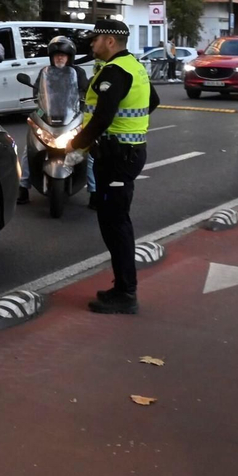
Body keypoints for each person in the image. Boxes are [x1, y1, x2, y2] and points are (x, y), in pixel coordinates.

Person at [46, 18, 160, 315]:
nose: (92, 44)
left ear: (110, 41)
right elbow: (153, 100)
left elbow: (102, 119)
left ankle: (126, 293)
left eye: (96, 39)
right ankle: (122, 287)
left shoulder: (115, 71)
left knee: (116, 224)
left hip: (118, 157)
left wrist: (74, 146)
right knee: (114, 221)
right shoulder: (133, 66)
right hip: (125, 152)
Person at [20, 35, 88, 205]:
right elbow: (37, 94)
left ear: (69, 57)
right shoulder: (45, 73)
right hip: (48, 118)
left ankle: (94, 191)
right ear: (51, 57)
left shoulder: (78, 73)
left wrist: (84, 102)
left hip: (71, 117)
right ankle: (23, 187)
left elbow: (85, 92)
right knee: (28, 151)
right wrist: (40, 109)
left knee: (88, 153)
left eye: (63, 55)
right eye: (56, 55)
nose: (59, 57)